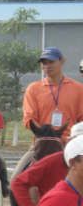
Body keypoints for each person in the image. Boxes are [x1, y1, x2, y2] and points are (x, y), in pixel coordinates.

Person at [9, 122, 83, 206]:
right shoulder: (54, 160)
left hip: (59, 137)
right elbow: (29, 118)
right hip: (42, 138)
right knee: (15, 176)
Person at [14, 47, 83, 178]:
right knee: (15, 181)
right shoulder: (33, 89)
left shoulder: (79, 89)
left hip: (71, 145)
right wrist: (47, 135)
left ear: (62, 61)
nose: (47, 66)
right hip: (42, 145)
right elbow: (29, 118)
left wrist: (75, 138)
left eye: (51, 62)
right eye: (44, 62)